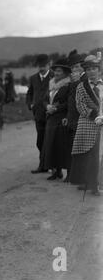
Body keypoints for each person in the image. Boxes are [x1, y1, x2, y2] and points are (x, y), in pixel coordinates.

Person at [70, 55, 103, 195]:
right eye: (88, 69)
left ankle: (98, 183)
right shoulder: (81, 87)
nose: (91, 72)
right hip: (88, 122)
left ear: (99, 70)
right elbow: (80, 105)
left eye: (94, 68)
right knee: (89, 154)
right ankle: (90, 183)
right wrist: (95, 116)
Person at [41, 59, 71, 180]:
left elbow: (69, 102)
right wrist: (47, 106)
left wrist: (56, 108)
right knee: (51, 145)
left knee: (62, 145)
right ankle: (56, 171)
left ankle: (69, 173)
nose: (57, 73)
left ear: (65, 73)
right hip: (51, 119)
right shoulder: (51, 84)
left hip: (61, 118)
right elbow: (44, 99)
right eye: (55, 71)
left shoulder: (68, 85)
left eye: (59, 71)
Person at [26, 54, 54, 174]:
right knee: (40, 141)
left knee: (51, 140)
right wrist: (30, 104)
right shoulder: (33, 78)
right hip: (38, 114)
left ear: (49, 65)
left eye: (44, 66)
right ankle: (43, 165)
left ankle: (52, 166)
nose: (42, 68)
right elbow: (29, 93)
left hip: (51, 113)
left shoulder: (54, 76)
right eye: (40, 66)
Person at [64, 50, 86, 182]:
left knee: (81, 147)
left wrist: (77, 82)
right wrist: (67, 116)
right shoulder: (74, 80)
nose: (75, 69)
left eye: (77, 66)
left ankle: (80, 176)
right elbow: (70, 101)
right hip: (72, 118)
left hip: (81, 119)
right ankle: (72, 174)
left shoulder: (85, 79)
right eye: (72, 67)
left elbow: (85, 97)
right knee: (71, 146)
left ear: (82, 66)